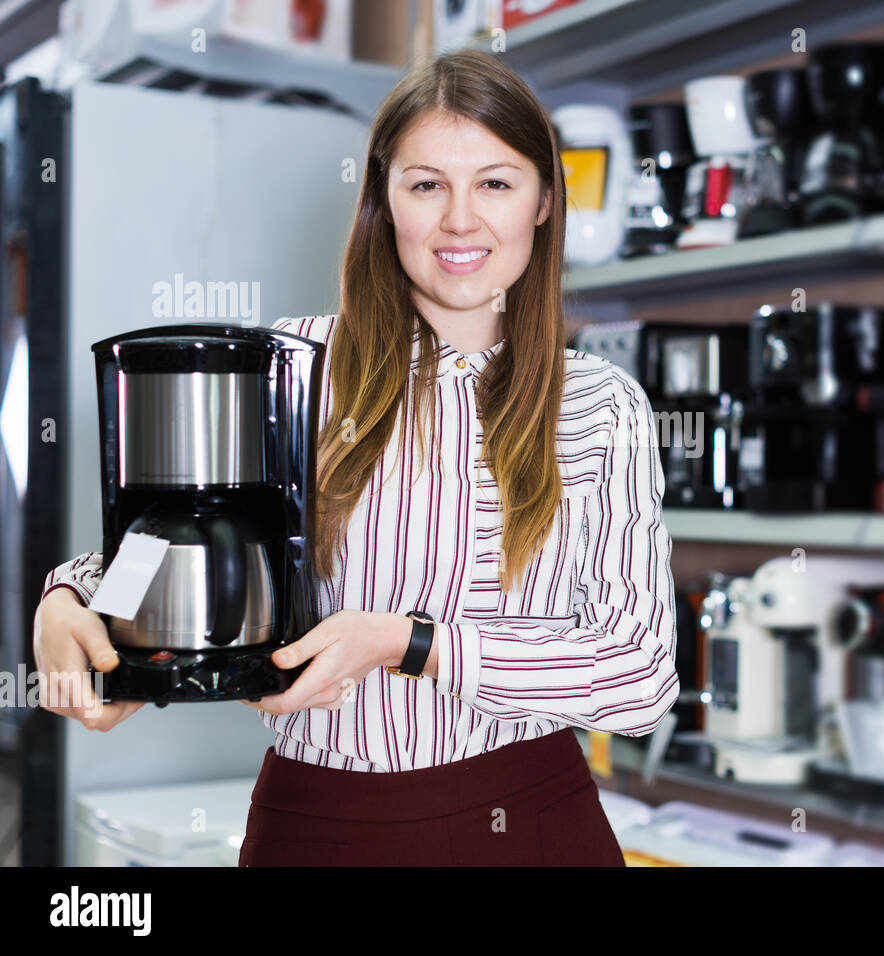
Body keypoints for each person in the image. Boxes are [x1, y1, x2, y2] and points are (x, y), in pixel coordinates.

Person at [33, 49, 679, 866]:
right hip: (318, 826)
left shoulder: (600, 405)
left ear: (545, 202)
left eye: (496, 182)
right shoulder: (286, 370)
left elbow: (643, 676)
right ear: (382, 199)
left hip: (531, 823)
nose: (459, 220)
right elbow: (182, 536)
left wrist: (410, 642)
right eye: (425, 184)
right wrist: (68, 597)